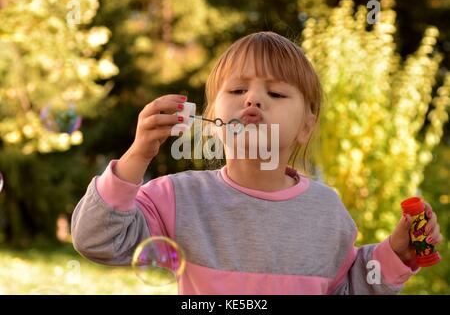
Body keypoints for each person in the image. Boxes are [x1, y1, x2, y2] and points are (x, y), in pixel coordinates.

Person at [71, 31, 443, 294]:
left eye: (276, 92)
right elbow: (97, 239)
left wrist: (393, 256)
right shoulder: (176, 198)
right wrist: (137, 155)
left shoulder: (325, 210)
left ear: (305, 127)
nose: (252, 100)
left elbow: (346, 289)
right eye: (236, 90)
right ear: (212, 119)